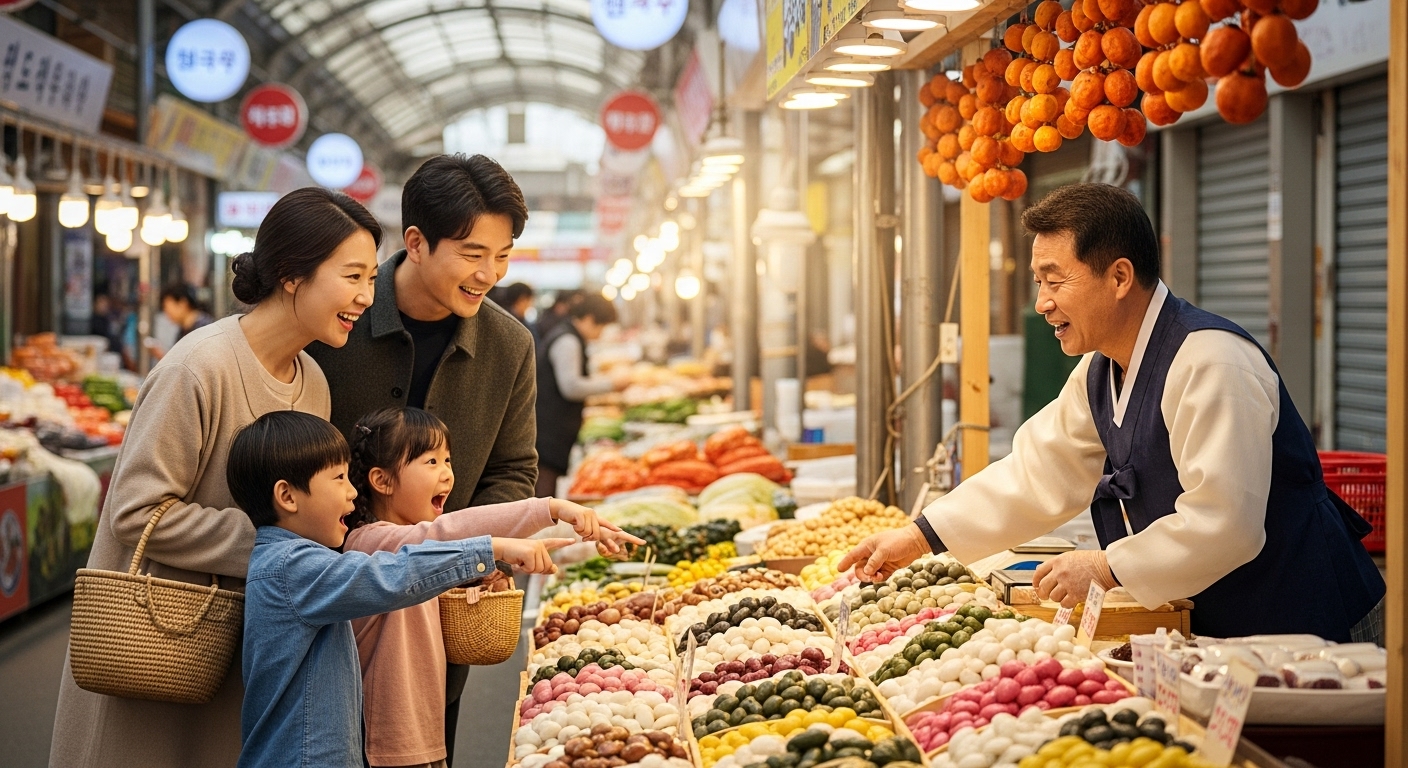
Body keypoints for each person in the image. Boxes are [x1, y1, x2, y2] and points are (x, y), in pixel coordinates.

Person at [839, 183, 1385, 643]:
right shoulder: (1102, 370)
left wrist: (1105, 566)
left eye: (1056, 281)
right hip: (1220, 624)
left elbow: (1226, 524)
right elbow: (1036, 474)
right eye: (1038, 283)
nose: (1041, 303)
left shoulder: (1211, 361)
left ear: (1120, 277)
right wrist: (916, 538)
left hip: (1311, 620)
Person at [49, 188, 384, 768]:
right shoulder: (197, 368)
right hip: (165, 633)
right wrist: (274, 549)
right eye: (352, 275)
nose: (365, 296)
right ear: (291, 275)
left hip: (243, 636)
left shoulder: (313, 382)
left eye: (372, 278)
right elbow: (134, 510)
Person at [306, 153, 537, 763]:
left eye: (503, 254)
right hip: (325, 600)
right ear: (415, 241)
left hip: (440, 607)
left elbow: (513, 467)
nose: (489, 273)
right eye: (471, 253)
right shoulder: (335, 321)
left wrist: (465, 551)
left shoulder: (509, 344)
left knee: (426, 744)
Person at [226, 410, 570, 768]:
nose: (352, 490)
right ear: (287, 496)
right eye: (339, 478)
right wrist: (491, 549)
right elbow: (389, 574)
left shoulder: (296, 561)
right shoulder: (291, 568)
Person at [342, 407, 643, 768]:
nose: (446, 474)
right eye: (431, 461)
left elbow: (444, 551)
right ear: (382, 480)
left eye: (448, 460)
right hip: (387, 739)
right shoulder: (369, 544)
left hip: (420, 729)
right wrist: (550, 508)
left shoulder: (417, 547)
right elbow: (444, 533)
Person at [535, 294, 626, 497]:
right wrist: (612, 383)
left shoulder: (567, 334)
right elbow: (571, 386)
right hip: (549, 430)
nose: (601, 333)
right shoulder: (568, 340)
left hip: (551, 427)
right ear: (589, 318)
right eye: (601, 326)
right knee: (545, 485)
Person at [146, 283, 216, 361]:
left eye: (167, 307)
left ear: (183, 304)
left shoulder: (204, 328)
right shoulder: (183, 330)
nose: (166, 312)